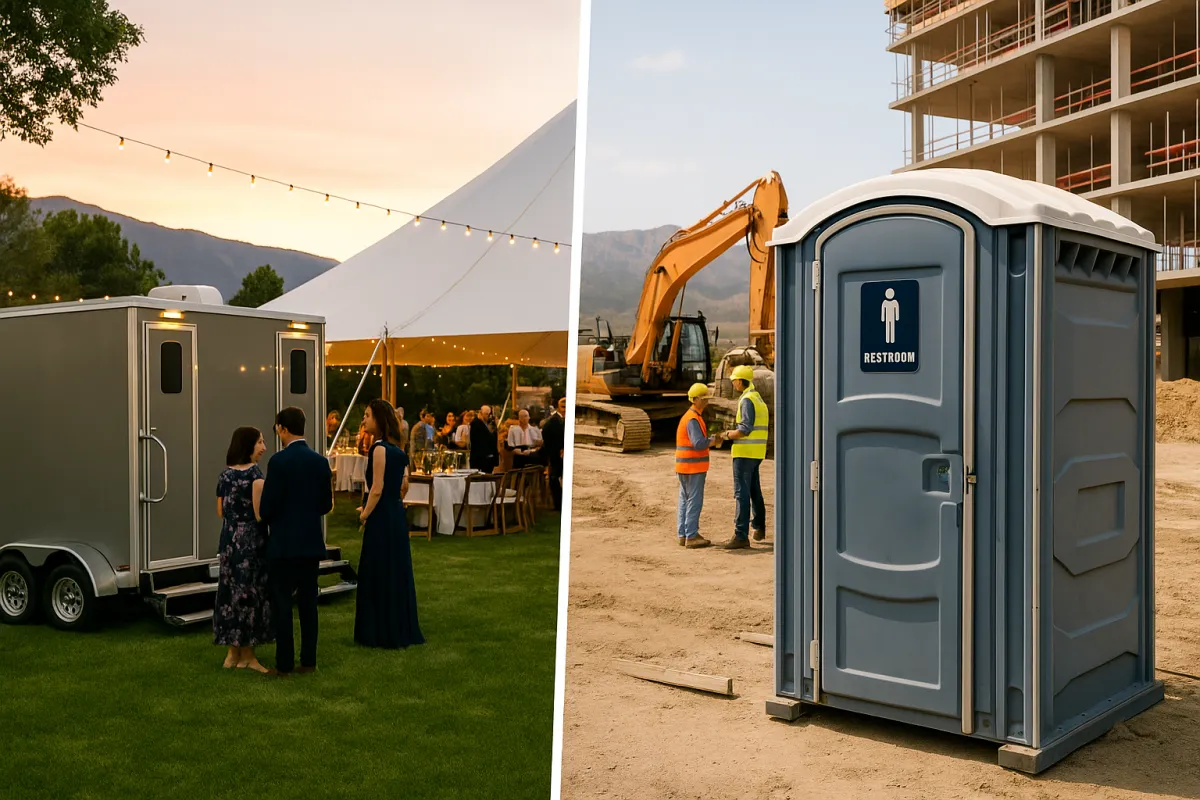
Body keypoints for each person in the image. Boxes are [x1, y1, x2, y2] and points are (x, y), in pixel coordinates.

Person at [257, 407, 333, 676]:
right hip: (310, 542)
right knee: (308, 604)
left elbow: (267, 508)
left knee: (282, 603)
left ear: (282, 429)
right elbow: (326, 504)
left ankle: (285, 663)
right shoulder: (320, 462)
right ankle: (309, 661)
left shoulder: (278, 462)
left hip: (284, 543)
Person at [354, 398, 425, 649]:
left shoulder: (379, 449)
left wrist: (364, 515)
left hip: (382, 517)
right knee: (395, 569)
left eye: (367, 415)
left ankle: (377, 631)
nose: (363, 420)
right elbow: (403, 486)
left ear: (379, 420)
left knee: (377, 569)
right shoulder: (399, 450)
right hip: (395, 515)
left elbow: (376, 488)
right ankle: (398, 625)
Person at [213, 426, 273, 671]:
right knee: (250, 595)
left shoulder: (224, 476)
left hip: (229, 541)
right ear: (248, 445)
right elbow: (260, 515)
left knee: (229, 593)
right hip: (251, 544)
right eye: (260, 442)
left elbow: (220, 511)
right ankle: (248, 655)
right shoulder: (256, 476)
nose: (264, 448)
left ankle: (231, 653)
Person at [719, 365, 769, 549]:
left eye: (733, 380)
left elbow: (745, 429)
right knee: (754, 491)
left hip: (744, 453)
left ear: (739, 381)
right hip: (756, 453)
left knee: (741, 493)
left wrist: (727, 435)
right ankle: (759, 526)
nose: (732, 383)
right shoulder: (757, 398)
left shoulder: (747, 400)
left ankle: (741, 535)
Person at [676, 384, 721, 549]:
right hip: (693, 467)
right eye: (704, 399)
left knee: (684, 500)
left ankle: (683, 534)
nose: (706, 402)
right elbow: (698, 443)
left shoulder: (690, 417)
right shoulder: (693, 419)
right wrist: (713, 441)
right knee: (694, 500)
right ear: (695, 399)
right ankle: (692, 536)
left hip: (685, 466)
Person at [541, 396, 566, 511]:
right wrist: (558, 449)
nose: (565, 409)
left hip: (562, 453)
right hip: (557, 454)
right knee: (555, 478)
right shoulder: (553, 420)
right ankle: (558, 504)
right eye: (563, 406)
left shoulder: (565, 419)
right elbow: (546, 434)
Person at [470, 404, 499, 473]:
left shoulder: (488, 424)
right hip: (481, 458)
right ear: (480, 413)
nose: (488, 417)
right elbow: (483, 439)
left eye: (489, 414)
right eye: (486, 414)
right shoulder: (476, 423)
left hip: (490, 457)